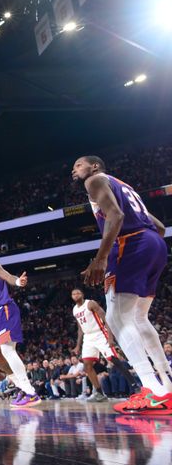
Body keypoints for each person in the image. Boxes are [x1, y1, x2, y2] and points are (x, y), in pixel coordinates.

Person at [73, 155, 171, 414]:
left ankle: (152, 389)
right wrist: (148, 246)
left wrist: (101, 258)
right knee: (139, 318)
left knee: (117, 319)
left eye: (78, 165)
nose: (74, 171)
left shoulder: (94, 181)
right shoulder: (123, 186)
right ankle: (167, 386)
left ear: (94, 166)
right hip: (155, 244)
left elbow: (115, 216)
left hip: (132, 243)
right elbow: (159, 226)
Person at [0, 245, 41, 408]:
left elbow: (7, 276)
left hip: (5, 309)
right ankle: (23, 388)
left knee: (7, 350)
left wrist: (18, 281)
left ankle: (31, 393)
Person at [70, 288, 137, 402]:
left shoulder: (90, 303)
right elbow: (80, 328)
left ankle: (135, 386)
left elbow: (106, 318)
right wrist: (78, 345)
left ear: (82, 294)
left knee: (114, 360)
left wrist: (110, 337)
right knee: (87, 366)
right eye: (73, 294)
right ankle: (99, 393)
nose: (76, 295)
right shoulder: (75, 309)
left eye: (78, 293)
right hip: (88, 337)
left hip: (100, 333)